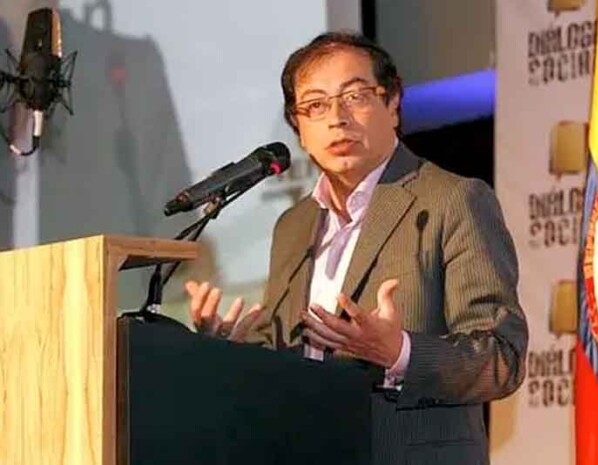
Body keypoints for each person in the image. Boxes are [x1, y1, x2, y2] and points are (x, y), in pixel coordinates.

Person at [185, 31, 528, 465]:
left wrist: (399, 353)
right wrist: (227, 350)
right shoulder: (293, 226)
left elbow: (502, 357)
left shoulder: (454, 201)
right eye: (315, 105)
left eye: (355, 96)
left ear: (393, 103)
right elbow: (289, 360)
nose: (337, 119)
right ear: (299, 129)